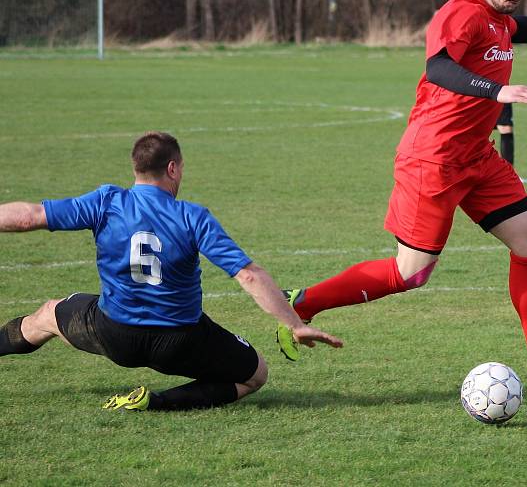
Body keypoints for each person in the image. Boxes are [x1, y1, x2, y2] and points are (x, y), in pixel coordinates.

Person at [276, 0, 527, 385]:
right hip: (433, 159)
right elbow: (439, 67)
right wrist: (500, 91)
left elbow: (519, 27)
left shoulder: (499, 19)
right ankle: (301, 303)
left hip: (477, 157)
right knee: (409, 274)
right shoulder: (460, 13)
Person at [0, 131, 342, 411]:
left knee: (46, 317)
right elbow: (249, 276)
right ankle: (159, 403)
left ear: (136, 169)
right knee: (255, 376)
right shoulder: (192, 217)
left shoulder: (106, 202)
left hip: (114, 334)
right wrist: (294, 324)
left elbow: (30, 216)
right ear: (173, 168)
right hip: (180, 341)